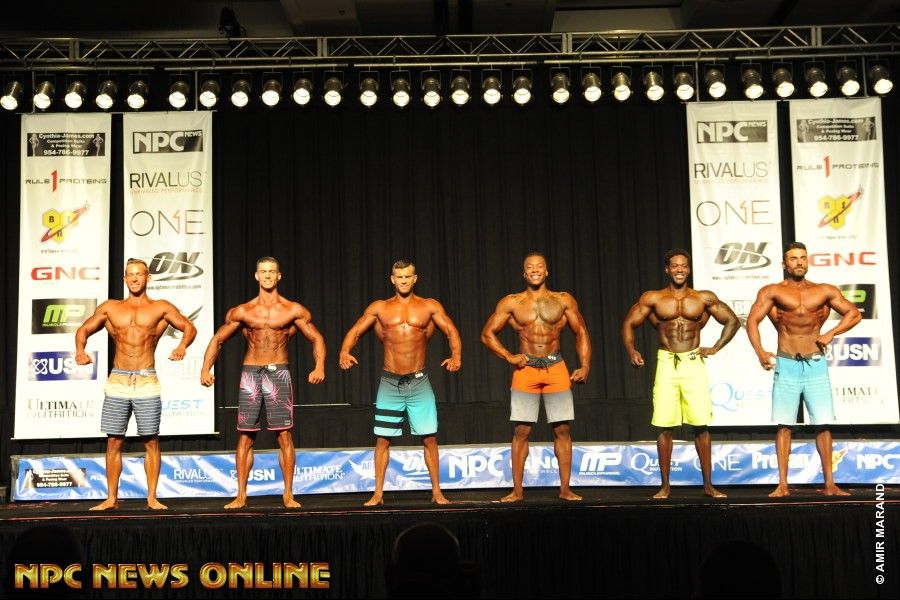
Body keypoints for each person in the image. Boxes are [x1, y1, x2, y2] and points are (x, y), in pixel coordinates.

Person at [200, 257, 325, 509]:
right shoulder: (243, 311)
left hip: (278, 373)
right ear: (256, 276)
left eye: (272, 272)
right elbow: (218, 339)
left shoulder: (292, 310)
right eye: (263, 272)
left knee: (284, 435)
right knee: (246, 436)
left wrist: (319, 366)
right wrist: (205, 368)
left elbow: (316, 338)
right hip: (251, 373)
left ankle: (288, 494)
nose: (267, 276)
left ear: (279, 276)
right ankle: (240, 495)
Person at [74, 258, 197, 511]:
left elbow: (189, 328)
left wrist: (182, 346)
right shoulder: (110, 308)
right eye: (130, 274)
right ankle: (111, 498)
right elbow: (83, 330)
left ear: (147, 277)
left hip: (146, 380)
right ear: (124, 279)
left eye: (139, 274)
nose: (134, 278)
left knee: (151, 440)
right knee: (113, 441)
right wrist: (80, 350)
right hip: (118, 380)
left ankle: (152, 498)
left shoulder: (160, 307)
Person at [339, 259, 461, 506]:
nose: (403, 281)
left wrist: (456, 355)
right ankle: (378, 494)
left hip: (419, 383)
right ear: (392, 279)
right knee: (383, 439)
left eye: (407, 277)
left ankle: (437, 492)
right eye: (399, 277)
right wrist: (344, 351)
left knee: (429, 438)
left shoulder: (429, 306)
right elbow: (356, 330)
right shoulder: (380, 308)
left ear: (415, 278)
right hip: (390, 383)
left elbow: (451, 330)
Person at [621, 249, 740, 499]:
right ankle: (665, 487)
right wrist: (631, 350)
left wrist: (715, 347)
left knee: (701, 425)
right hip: (667, 362)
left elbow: (732, 320)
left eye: (684, 266)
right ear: (667, 269)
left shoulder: (703, 298)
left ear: (689, 269)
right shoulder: (653, 298)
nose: (679, 269)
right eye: (675, 266)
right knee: (664, 426)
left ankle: (708, 486)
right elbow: (629, 323)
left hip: (693, 362)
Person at [746, 242, 860, 497]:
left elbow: (853, 313)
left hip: (815, 363)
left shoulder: (824, 291)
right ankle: (782, 485)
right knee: (784, 425)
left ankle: (830, 484)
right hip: (787, 362)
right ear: (784, 263)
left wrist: (831, 332)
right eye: (793, 258)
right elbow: (752, 320)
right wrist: (760, 351)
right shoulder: (773, 291)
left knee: (823, 424)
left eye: (803, 258)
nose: (799, 262)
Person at [481, 252, 591, 502]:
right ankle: (517, 491)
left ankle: (565, 490)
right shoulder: (512, 303)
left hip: (556, 368)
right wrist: (508, 356)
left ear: (546, 271)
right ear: (524, 273)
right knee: (521, 430)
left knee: (562, 429)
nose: (535, 270)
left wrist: (585, 366)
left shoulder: (563, 300)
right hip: (526, 369)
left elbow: (581, 332)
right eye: (530, 267)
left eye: (539, 266)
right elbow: (487, 333)